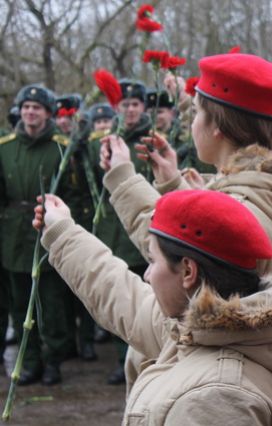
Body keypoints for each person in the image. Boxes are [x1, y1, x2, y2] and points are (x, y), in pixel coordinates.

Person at [99, 53, 272, 424]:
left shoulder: (245, 206)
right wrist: (171, 184)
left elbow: (178, 261)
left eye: (196, 112)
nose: (191, 122)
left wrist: (122, 180)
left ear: (216, 128)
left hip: (223, 400)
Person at [33, 189, 272, 425]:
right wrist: (61, 232)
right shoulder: (209, 331)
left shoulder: (215, 399)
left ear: (188, 272)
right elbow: (121, 294)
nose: (146, 275)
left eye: (152, 261)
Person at [0, 84, 76, 385]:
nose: (31, 112)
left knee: (51, 304)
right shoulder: (5, 147)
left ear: (48, 113)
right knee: (19, 306)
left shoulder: (61, 146)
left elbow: (73, 191)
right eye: (26, 107)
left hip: (49, 231)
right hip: (13, 236)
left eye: (38, 108)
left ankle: (53, 360)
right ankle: (28, 361)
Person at [87, 79, 153, 384]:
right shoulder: (100, 141)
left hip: (144, 225)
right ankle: (119, 355)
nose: (129, 110)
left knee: (146, 293)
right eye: (124, 105)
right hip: (112, 226)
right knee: (117, 291)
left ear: (143, 107)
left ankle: (148, 353)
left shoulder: (153, 140)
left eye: (135, 104)